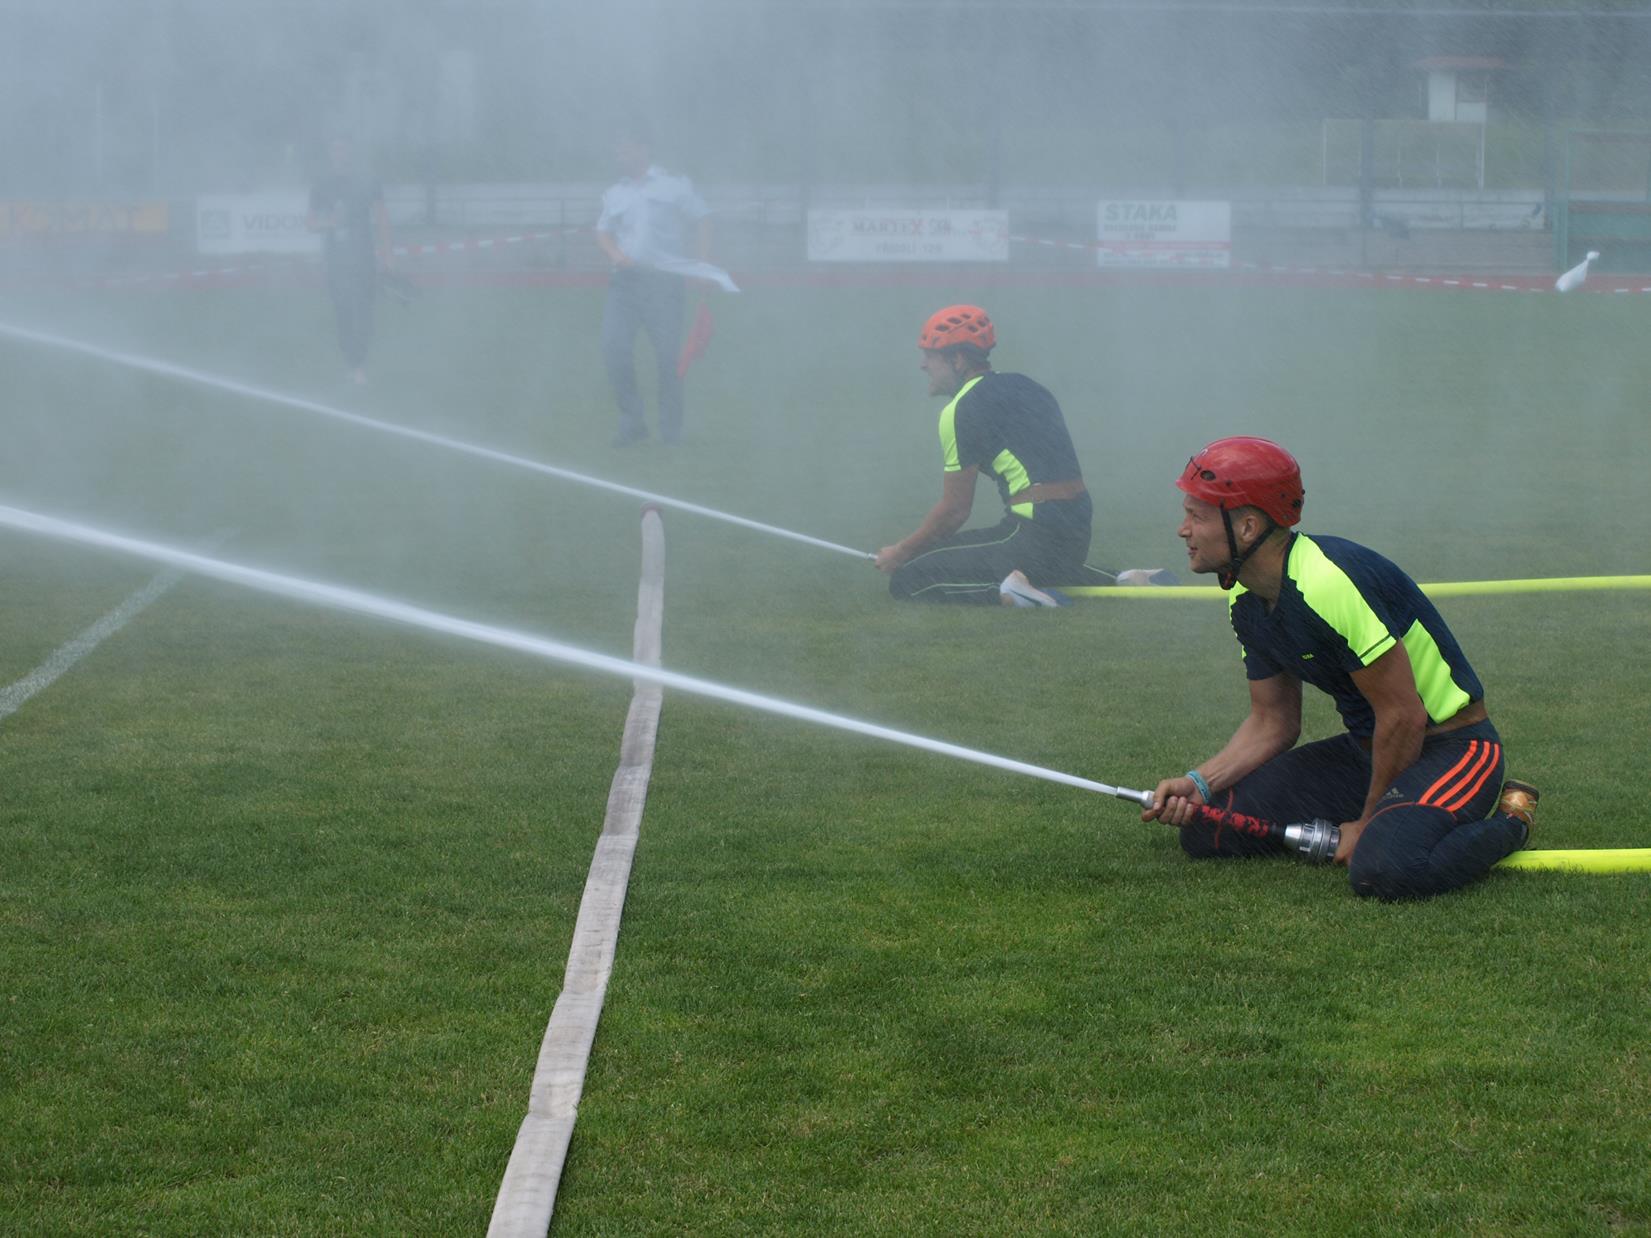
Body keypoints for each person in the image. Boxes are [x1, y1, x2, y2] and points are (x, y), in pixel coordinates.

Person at [1142, 436, 1539, 900]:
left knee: (1382, 870)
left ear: (1247, 526)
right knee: (1207, 829)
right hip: (1369, 752)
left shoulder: (1328, 584)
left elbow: (1404, 716)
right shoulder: (1242, 595)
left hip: (1454, 749)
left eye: (1197, 515)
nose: (1183, 530)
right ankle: (1391, 814)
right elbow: (1274, 721)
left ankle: (1513, 818)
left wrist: (1367, 822)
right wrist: (1199, 783)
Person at [875, 305, 1129, 606]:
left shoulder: (959, 409)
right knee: (1027, 563)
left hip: (1034, 533)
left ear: (957, 359)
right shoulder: (1027, 386)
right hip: (1076, 532)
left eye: (930, 355)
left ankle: (1011, 594)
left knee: (909, 578)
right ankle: (1122, 578)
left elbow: (954, 511)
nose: (923, 365)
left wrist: (901, 551)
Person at [594, 122, 712, 447]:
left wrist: (700, 264)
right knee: (613, 348)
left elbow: (702, 218)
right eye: (616, 147)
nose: (618, 153)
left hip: (664, 285)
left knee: (668, 359)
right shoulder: (614, 192)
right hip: (625, 285)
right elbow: (602, 231)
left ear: (643, 149)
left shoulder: (674, 186)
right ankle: (632, 423)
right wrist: (615, 254)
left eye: (624, 146)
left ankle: (671, 434)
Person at [307, 136, 392, 385]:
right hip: (335, 261)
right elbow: (310, 224)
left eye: (344, 148)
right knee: (343, 313)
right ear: (331, 154)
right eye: (336, 149)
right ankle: (351, 362)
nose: (340, 153)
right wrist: (330, 223)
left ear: (351, 152)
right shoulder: (321, 185)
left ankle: (359, 365)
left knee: (364, 313)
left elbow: (381, 219)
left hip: (363, 258)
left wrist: (388, 255)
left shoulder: (368, 182)